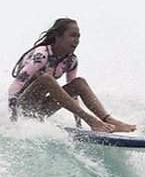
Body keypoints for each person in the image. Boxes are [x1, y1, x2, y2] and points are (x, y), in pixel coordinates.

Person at [8, 18, 136, 133]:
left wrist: (78, 124)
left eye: (78, 37)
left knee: (79, 83)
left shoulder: (71, 61)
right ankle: (92, 121)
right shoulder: (41, 55)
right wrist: (13, 117)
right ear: (58, 37)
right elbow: (16, 85)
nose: (76, 40)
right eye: (72, 36)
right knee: (46, 79)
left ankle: (108, 119)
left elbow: (73, 94)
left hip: (41, 110)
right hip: (23, 108)